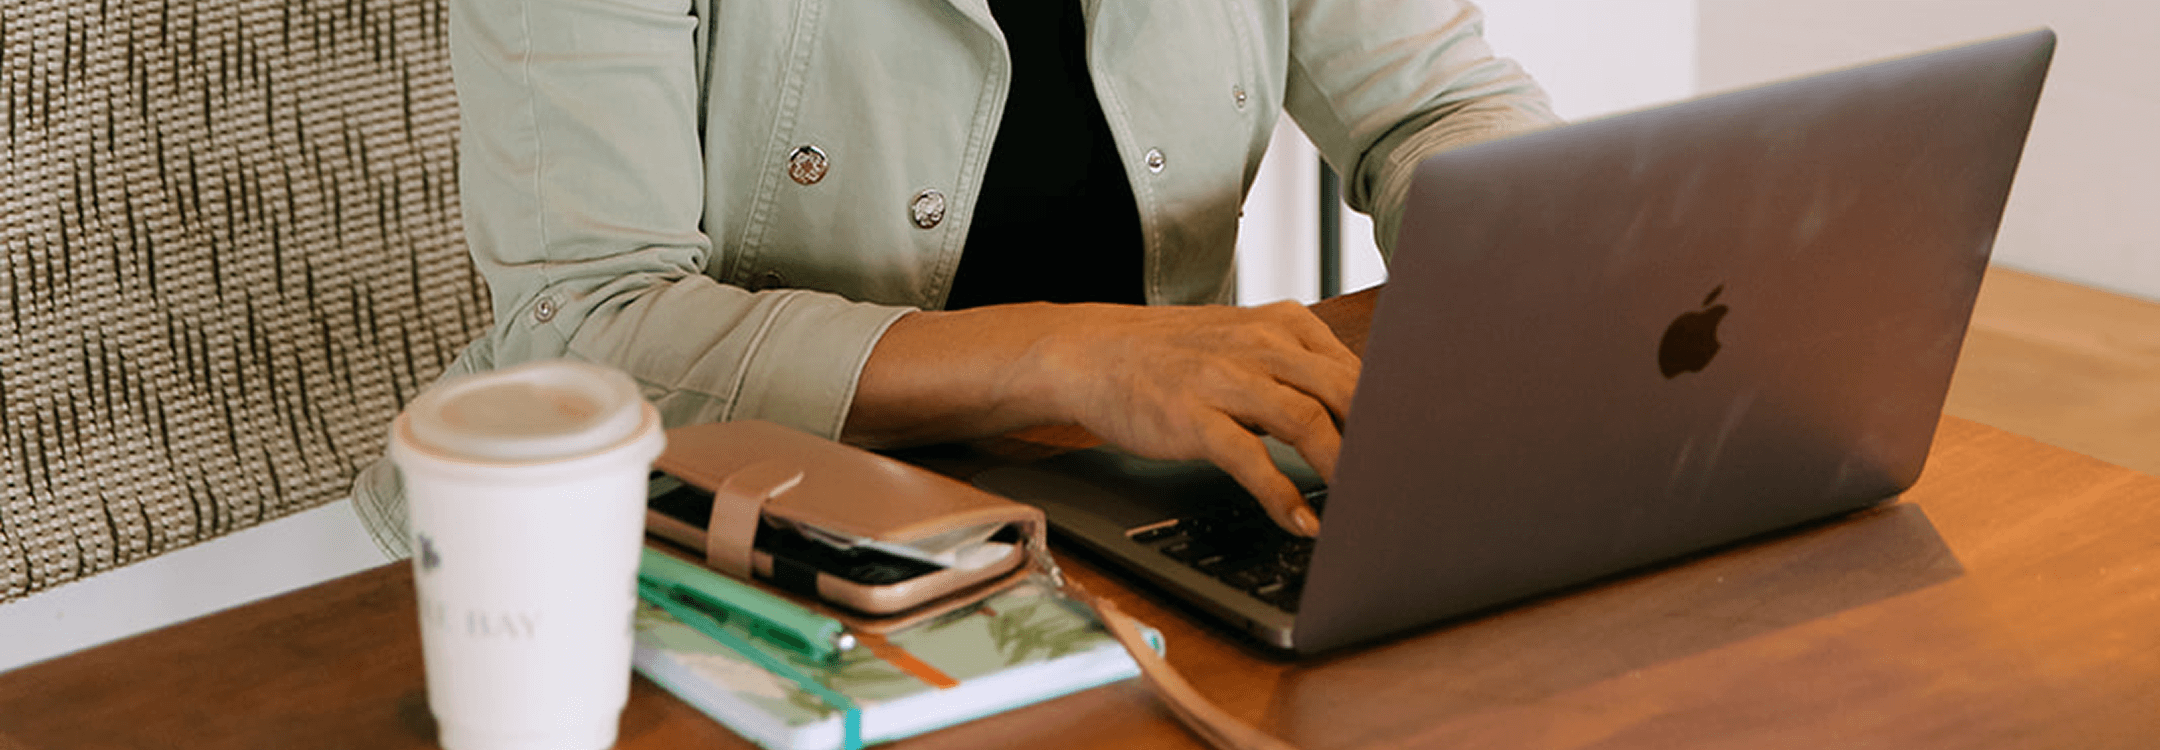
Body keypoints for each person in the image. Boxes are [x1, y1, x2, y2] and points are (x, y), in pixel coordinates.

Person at [352, 0, 1557, 558]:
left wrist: (1557, 255)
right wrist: (1072, 357)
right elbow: (587, 327)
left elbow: (1435, 105)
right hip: (722, 556)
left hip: (1131, 518)